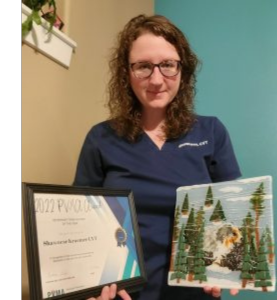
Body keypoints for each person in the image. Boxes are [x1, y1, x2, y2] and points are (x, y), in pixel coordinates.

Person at [74, 14, 241, 300]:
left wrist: (229, 266)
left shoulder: (211, 131)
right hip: (123, 294)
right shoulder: (101, 138)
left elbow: (234, 215)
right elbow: (81, 224)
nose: (156, 79)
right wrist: (86, 287)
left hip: (195, 292)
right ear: (126, 72)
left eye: (167, 65)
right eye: (143, 67)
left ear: (182, 70)